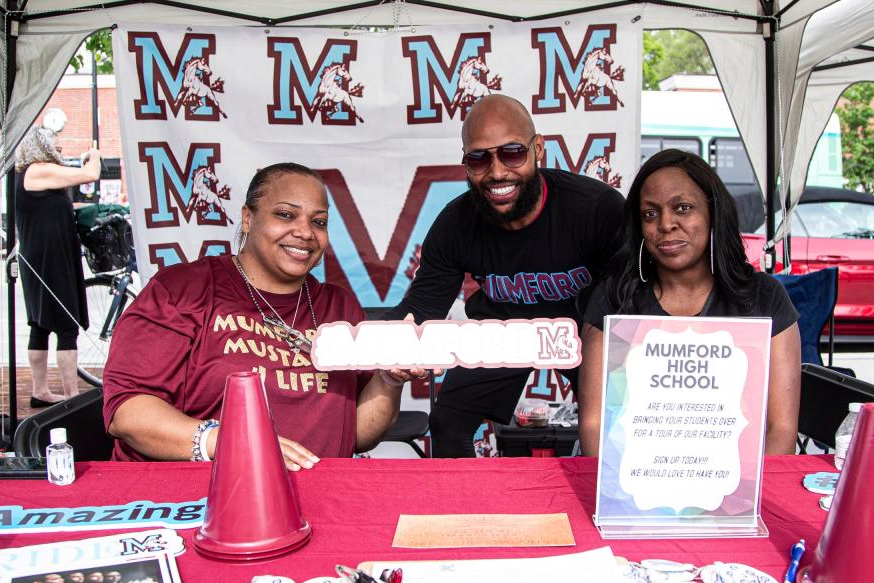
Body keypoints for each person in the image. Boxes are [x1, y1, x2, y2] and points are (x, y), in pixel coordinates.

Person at [103, 163, 421, 469]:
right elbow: (128, 413)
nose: (305, 232)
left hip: (317, 498)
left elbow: (355, 435)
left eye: (319, 222)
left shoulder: (338, 307)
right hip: (199, 502)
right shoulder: (182, 290)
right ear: (247, 218)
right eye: (285, 214)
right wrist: (231, 441)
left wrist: (389, 379)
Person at [386, 94, 625, 457]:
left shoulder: (596, 209)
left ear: (538, 148)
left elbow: (629, 302)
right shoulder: (456, 224)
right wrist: (366, 339)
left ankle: (598, 508)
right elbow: (421, 307)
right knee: (448, 423)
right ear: (465, 163)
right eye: (479, 158)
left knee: (615, 419)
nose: (497, 172)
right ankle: (465, 512)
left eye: (511, 153)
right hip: (505, 329)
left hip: (583, 332)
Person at [577, 149, 800, 457]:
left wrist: (745, 500)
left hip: (739, 495)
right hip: (635, 489)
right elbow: (594, 425)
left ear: (713, 214)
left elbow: (782, 429)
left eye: (682, 208)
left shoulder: (764, 298)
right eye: (650, 213)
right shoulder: (614, 301)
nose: (666, 224)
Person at [14, 127, 100, 406]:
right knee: (65, 325)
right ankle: (71, 396)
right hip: (49, 259)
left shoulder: (32, 174)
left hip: (44, 256)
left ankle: (41, 391)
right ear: (42, 147)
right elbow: (90, 174)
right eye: (55, 144)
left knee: (39, 325)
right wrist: (94, 155)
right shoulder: (37, 171)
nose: (59, 149)